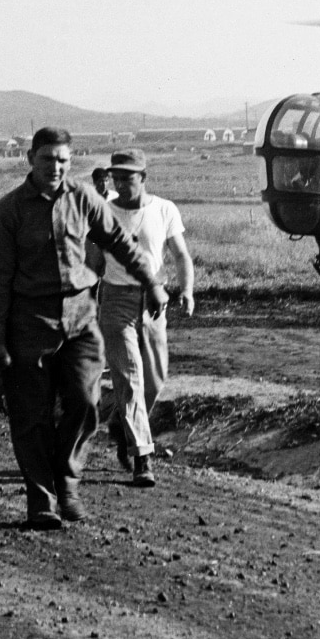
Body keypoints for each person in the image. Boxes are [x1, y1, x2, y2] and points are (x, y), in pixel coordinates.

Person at [0, 127, 167, 529]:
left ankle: (67, 480)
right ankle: (42, 500)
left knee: (85, 405)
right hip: (29, 322)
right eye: (48, 159)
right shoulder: (9, 210)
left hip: (81, 319)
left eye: (64, 160)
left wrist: (151, 281)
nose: (56, 167)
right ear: (30, 158)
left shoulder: (84, 197)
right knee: (31, 416)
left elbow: (119, 241)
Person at [95, 148, 194, 488]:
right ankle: (142, 457)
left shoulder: (164, 209)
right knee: (130, 377)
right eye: (116, 177)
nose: (121, 184)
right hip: (116, 300)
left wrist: (187, 290)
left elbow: (180, 254)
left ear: (144, 178)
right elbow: (92, 261)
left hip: (155, 303)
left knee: (155, 378)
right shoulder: (104, 212)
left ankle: (122, 426)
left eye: (128, 177)